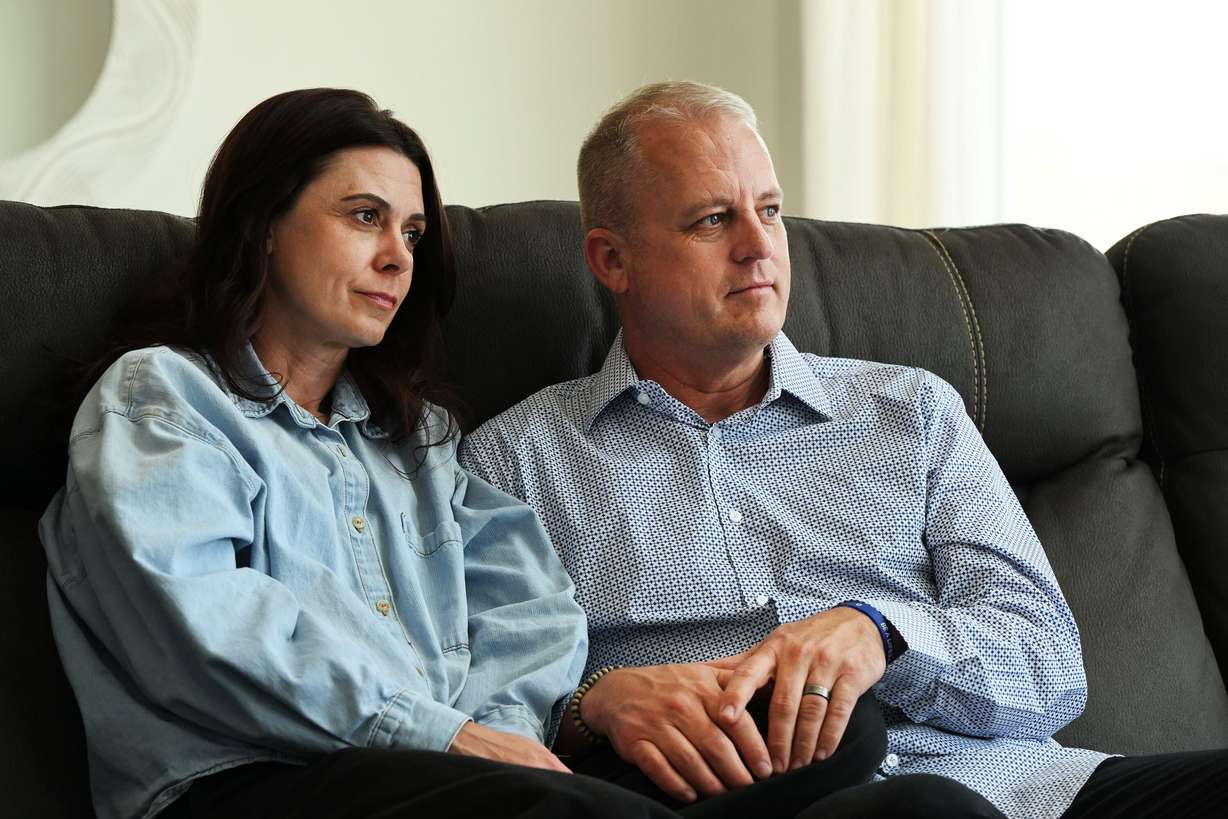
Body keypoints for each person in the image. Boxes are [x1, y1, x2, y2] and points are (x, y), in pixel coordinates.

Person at [459, 80, 1228, 818]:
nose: (759, 246)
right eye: (712, 221)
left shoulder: (912, 409)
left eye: (770, 210)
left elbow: (1049, 666)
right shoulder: (514, 464)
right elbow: (481, 706)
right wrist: (596, 702)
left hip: (1025, 787)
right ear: (611, 260)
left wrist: (884, 631)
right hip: (763, 796)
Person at [38, 88, 682, 819]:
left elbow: (531, 611)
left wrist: (497, 742)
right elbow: (211, 630)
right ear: (264, 225)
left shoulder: (417, 441)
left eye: (411, 234)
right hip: (242, 782)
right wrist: (452, 740)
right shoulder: (164, 398)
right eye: (365, 217)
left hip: (444, 779)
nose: (397, 258)